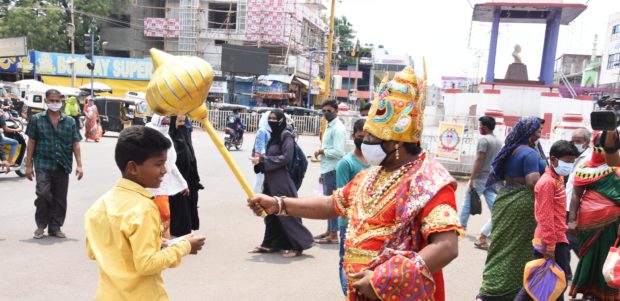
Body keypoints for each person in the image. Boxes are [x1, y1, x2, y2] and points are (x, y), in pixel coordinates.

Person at [249, 66, 462, 301]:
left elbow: (446, 247)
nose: (365, 142)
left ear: (398, 142)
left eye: (372, 137)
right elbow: (332, 204)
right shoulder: (371, 176)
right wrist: (278, 204)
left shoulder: (430, 181)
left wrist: (386, 278)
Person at [85, 126, 206, 301]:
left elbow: (93, 251)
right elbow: (147, 264)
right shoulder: (143, 208)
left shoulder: (98, 206)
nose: (164, 170)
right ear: (133, 168)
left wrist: (157, 243)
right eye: (158, 164)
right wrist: (185, 246)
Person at [477, 116, 547, 301]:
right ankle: (508, 291)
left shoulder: (511, 149)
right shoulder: (530, 153)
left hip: (505, 198)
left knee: (501, 246)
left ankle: (491, 288)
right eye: (537, 128)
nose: (540, 131)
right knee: (519, 248)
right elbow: (533, 182)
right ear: (528, 132)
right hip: (523, 201)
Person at [514, 140, 579, 301]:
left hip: (557, 238)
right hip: (550, 240)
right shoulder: (547, 183)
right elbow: (545, 215)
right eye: (567, 162)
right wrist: (550, 245)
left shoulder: (558, 178)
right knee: (546, 282)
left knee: (553, 282)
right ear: (553, 159)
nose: (569, 165)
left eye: (572, 162)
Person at [249, 109, 314, 258]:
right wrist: (260, 161)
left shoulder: (286, 136)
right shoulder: (274, 136)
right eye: (269, 118)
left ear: (281, 120)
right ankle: (270, 244)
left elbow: (286, 157)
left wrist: (264, 160)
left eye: (274, 118)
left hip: (281, 180)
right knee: (271, 214)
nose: (272, 121)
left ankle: (298, 245)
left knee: (287, 212)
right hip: (271, 180)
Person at [568, 132, 620, 301]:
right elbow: (576, 195)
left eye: (605, 143)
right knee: (588, 258)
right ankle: (588, 291)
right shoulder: (585, 168)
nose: (601, 147)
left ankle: (607, 293)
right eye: (599, 142)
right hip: (587, 223)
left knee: (609, 257)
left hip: (614, 224)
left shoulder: (618, 168)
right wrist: (572, 220)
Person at [25, 89, 83, 239]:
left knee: (60, 197)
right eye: (52, 100)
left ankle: (55, 227)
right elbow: (31, 142)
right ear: (46, 101)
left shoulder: (69, 121)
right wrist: (28, 166)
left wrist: (79, 165)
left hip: (63, 163)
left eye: (57, 101)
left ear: (62, 102)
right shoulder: (37, 119)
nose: (55, 103)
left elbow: (75, 143)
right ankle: (41, 225)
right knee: (43, 193)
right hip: (43, 162)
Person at [335, 118, 371, 296]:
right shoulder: (346, 163)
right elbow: (341, 198)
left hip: (369, 224)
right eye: (360, 136)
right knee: (346, 262)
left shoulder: (375, 161)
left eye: (367, 136)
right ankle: (348, 293)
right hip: (349, 223)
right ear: (353, 136)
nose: (363, 140)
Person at [459, 116, 502, 250]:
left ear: (485, 127)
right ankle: (489, 231)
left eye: (480, 126)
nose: (479, 128)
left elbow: (479, 159)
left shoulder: (484, 140)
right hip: (490, 179)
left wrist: (472, 178)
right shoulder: (498, 141)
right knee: (496, 207)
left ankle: (461, 228)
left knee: (467, 203)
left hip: (479, 178)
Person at [146, 114, 188, 239]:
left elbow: (171, 165)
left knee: (164, 216)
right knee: (155, 217)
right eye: (166, 119)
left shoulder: (166, 137)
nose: (169, 122)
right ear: (158, 118)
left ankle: (161, 242)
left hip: (162, 187)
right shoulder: (147, 135)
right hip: (149, 187)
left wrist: (182, 183)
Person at [314, 99, 347, 244]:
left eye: (329, 111)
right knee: (328, 201)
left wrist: (322, 151)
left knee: (332, 203)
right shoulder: (329, 126)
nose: (326, 113)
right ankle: (329, 230)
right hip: (327, 168)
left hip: (333, 168)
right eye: (324, 111)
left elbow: (338, 152)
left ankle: (334, 234)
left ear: (336, 111)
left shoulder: (337, 128)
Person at [168, 115, 203, 237]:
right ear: (172, 122)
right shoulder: (169, 138)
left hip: (188, 179)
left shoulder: (185, 136)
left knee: (188, 206)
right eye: (179, 121)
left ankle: (184, 233)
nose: (182, 124)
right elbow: (172, 162)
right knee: (178, 208)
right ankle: (177, 235)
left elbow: (192, 158)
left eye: (184, 121)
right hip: (175, 180)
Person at [252, 111, 271, 193]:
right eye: (269, 118)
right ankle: (255, 198)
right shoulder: (262, 130)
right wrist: (259, 159)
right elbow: (259, 147)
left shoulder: (269, 130)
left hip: (266, 158)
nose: (271, 120)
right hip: (261, 158)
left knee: (264, 180)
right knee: (259, 179)